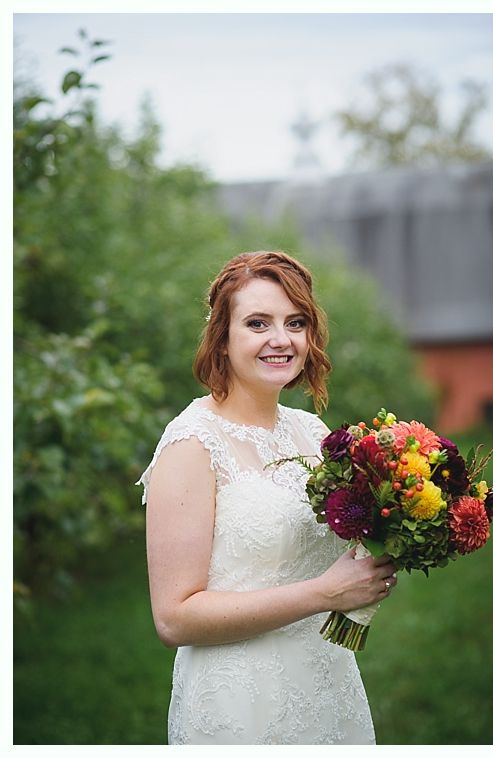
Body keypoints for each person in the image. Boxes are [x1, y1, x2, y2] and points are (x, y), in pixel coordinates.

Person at [139, 251, 397, 744]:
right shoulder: (192, 444)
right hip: (241, 700)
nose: (281, 339)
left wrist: (396, 534)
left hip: (326, 683)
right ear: (223, 336)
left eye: (295, 322)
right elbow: (174, 617)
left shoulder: (311, 432)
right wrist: (325, 594)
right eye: (258, 323)